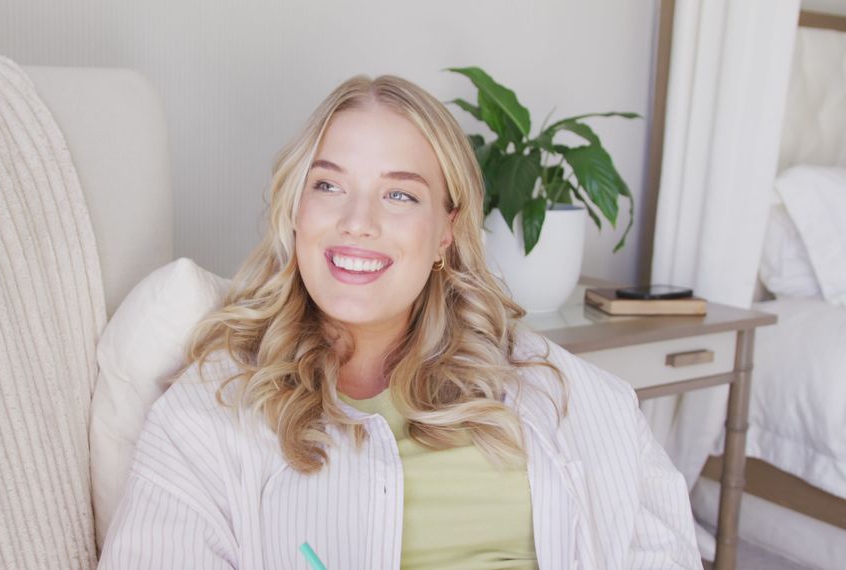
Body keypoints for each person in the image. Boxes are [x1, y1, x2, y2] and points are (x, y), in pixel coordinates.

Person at [98, 75, 701, 569]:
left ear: (446, 232)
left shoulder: (553, 390)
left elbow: (658, 546)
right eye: (329, 185)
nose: (358, 221)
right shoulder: (215, 411)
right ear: (296, 212)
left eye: (399, 195)